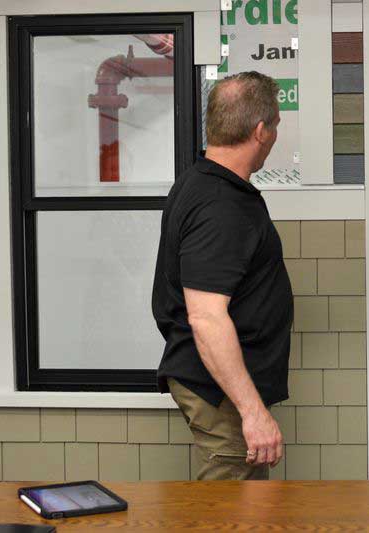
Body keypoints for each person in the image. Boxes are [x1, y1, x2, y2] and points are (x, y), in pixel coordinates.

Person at [152, 71, 293, 480]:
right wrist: (253, 413)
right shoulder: (219, 204)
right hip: (219, 389)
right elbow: (206, 316)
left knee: (249, 508)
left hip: (224, 382)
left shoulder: (205, 184)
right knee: (228, 511)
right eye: (277, 125)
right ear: (261, 130)